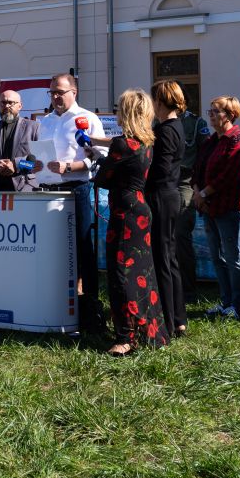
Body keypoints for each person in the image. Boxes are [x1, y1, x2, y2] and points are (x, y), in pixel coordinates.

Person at [89, 89, 166, 356]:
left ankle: (125, 337)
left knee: (120, 275)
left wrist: (98, 161)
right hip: (140, 210)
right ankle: (149, 331)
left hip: (124, 215)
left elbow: (102, 179)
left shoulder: (123, 145)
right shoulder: (145, 142)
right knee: (143, 274)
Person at [38, 73, 105, 330]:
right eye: (52, 92)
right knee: (54, 249)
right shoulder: (44, 122)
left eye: (60, 92)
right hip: (48, 189)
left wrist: (71, 166)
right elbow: (40, 155)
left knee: (82, 248)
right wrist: (35, 164)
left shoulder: (87, 119)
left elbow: (99, 158)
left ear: (73, 92)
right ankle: (55, 303)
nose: (55, 97)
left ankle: (89, 308)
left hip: (77, 188)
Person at [192, 96, 240, 319]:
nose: (212, 115)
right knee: (217, 257)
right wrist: (198, 192)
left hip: (227, 207)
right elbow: (197, 168)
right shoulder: (210, 142)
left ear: (230, 115)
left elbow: (229, 176)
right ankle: (225, 301)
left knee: (232, 257)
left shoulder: (237, 140)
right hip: (207, 207)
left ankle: (237, 306)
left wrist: (204, 193)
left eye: (216, 111)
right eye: (210, 111)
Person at [147, 80, 187, 338]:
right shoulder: (174, 127)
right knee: (169, 259)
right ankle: (178, 319)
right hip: (168, 195)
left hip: (161, 196)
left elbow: (159, 170)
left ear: (160, 102)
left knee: (163, 259)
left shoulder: (165, 131)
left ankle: (169, 323)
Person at [0, 87, 42, 192]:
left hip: (25, 188)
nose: (6, 106)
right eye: (3, 103)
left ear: (20, 106)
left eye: (10, 103)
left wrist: (16, 165)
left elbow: (39, 160)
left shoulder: (34, 128)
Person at [174, 104, 210, 301]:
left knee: (181, 235)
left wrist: (201, 188)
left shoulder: (196, 123)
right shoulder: (157, 121)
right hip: (163, 183)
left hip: (186, 182)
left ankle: (187, 291)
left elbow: (206, 156)